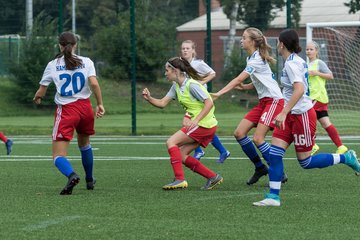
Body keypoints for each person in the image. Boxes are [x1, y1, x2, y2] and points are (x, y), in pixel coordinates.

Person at [253, 29, 360, 207]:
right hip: (290, 116)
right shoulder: (293, 61)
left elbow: (300, 90)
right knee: (274, 154)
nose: (277, 45)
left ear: (282, 44)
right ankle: (273, 197)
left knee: (306, 162)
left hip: (302, 115)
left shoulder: (292, 64)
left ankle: (346, 158)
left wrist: (284, 111)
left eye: (278, 42)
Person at [211, 27, 287, 185]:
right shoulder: (251, 58)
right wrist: (246, 87)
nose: (241, 40)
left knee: (258, 138)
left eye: (244, 37)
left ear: (252, 42)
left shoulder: (256, 59)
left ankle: (279, 171)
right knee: (239, 133)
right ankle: (260, 168)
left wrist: (219, 93)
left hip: (273, 100)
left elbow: (238, 79)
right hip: (263, 102)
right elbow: (263, 79)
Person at [33, 31, 105, 195]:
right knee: (85, 145)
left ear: (60, 45)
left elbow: (42, 90)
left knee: (58, 156)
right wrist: (100, 104)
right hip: (85, 108)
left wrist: (37, 98)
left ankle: (71, 175)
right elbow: (94, 84)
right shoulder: (87, 62)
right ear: (75, 45)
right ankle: (89, 179)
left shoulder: (53, 64)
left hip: (67, 110)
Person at [142, 57, 223, 190]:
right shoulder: (176, 86)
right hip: (204, 125)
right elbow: (162, 103)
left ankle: (179, 179)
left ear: (175, 70)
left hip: (203, 125)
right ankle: (213, 177)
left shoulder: (192, 85)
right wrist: (149, 98)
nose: (165, 73)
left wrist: (196, 120)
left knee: (171, 142)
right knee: (181, 156)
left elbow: (209, 103)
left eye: (167, 69)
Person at [181, 40, 230, 163]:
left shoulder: (198, 63)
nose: (185, 50)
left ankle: (200, 151)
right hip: (192, 102)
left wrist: (201, 83)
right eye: (183, 48)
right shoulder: (181, 65)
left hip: (202, 100)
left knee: (194, 125)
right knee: (201, 127)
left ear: (193, 50)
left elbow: (212, 73)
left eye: (187, 48)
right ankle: (222, 151)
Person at [306, 41, 348, 155]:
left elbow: (330, 75)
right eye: (307, 49)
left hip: (316, 97)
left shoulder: (319, 63)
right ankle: (341, 146)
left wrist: (317, 73)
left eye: (311, 49)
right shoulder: (306, 65)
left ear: (316, 51)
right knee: (325, 123)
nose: (309, 51)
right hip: (317, 98)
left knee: (307, 119)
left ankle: (312, 145)